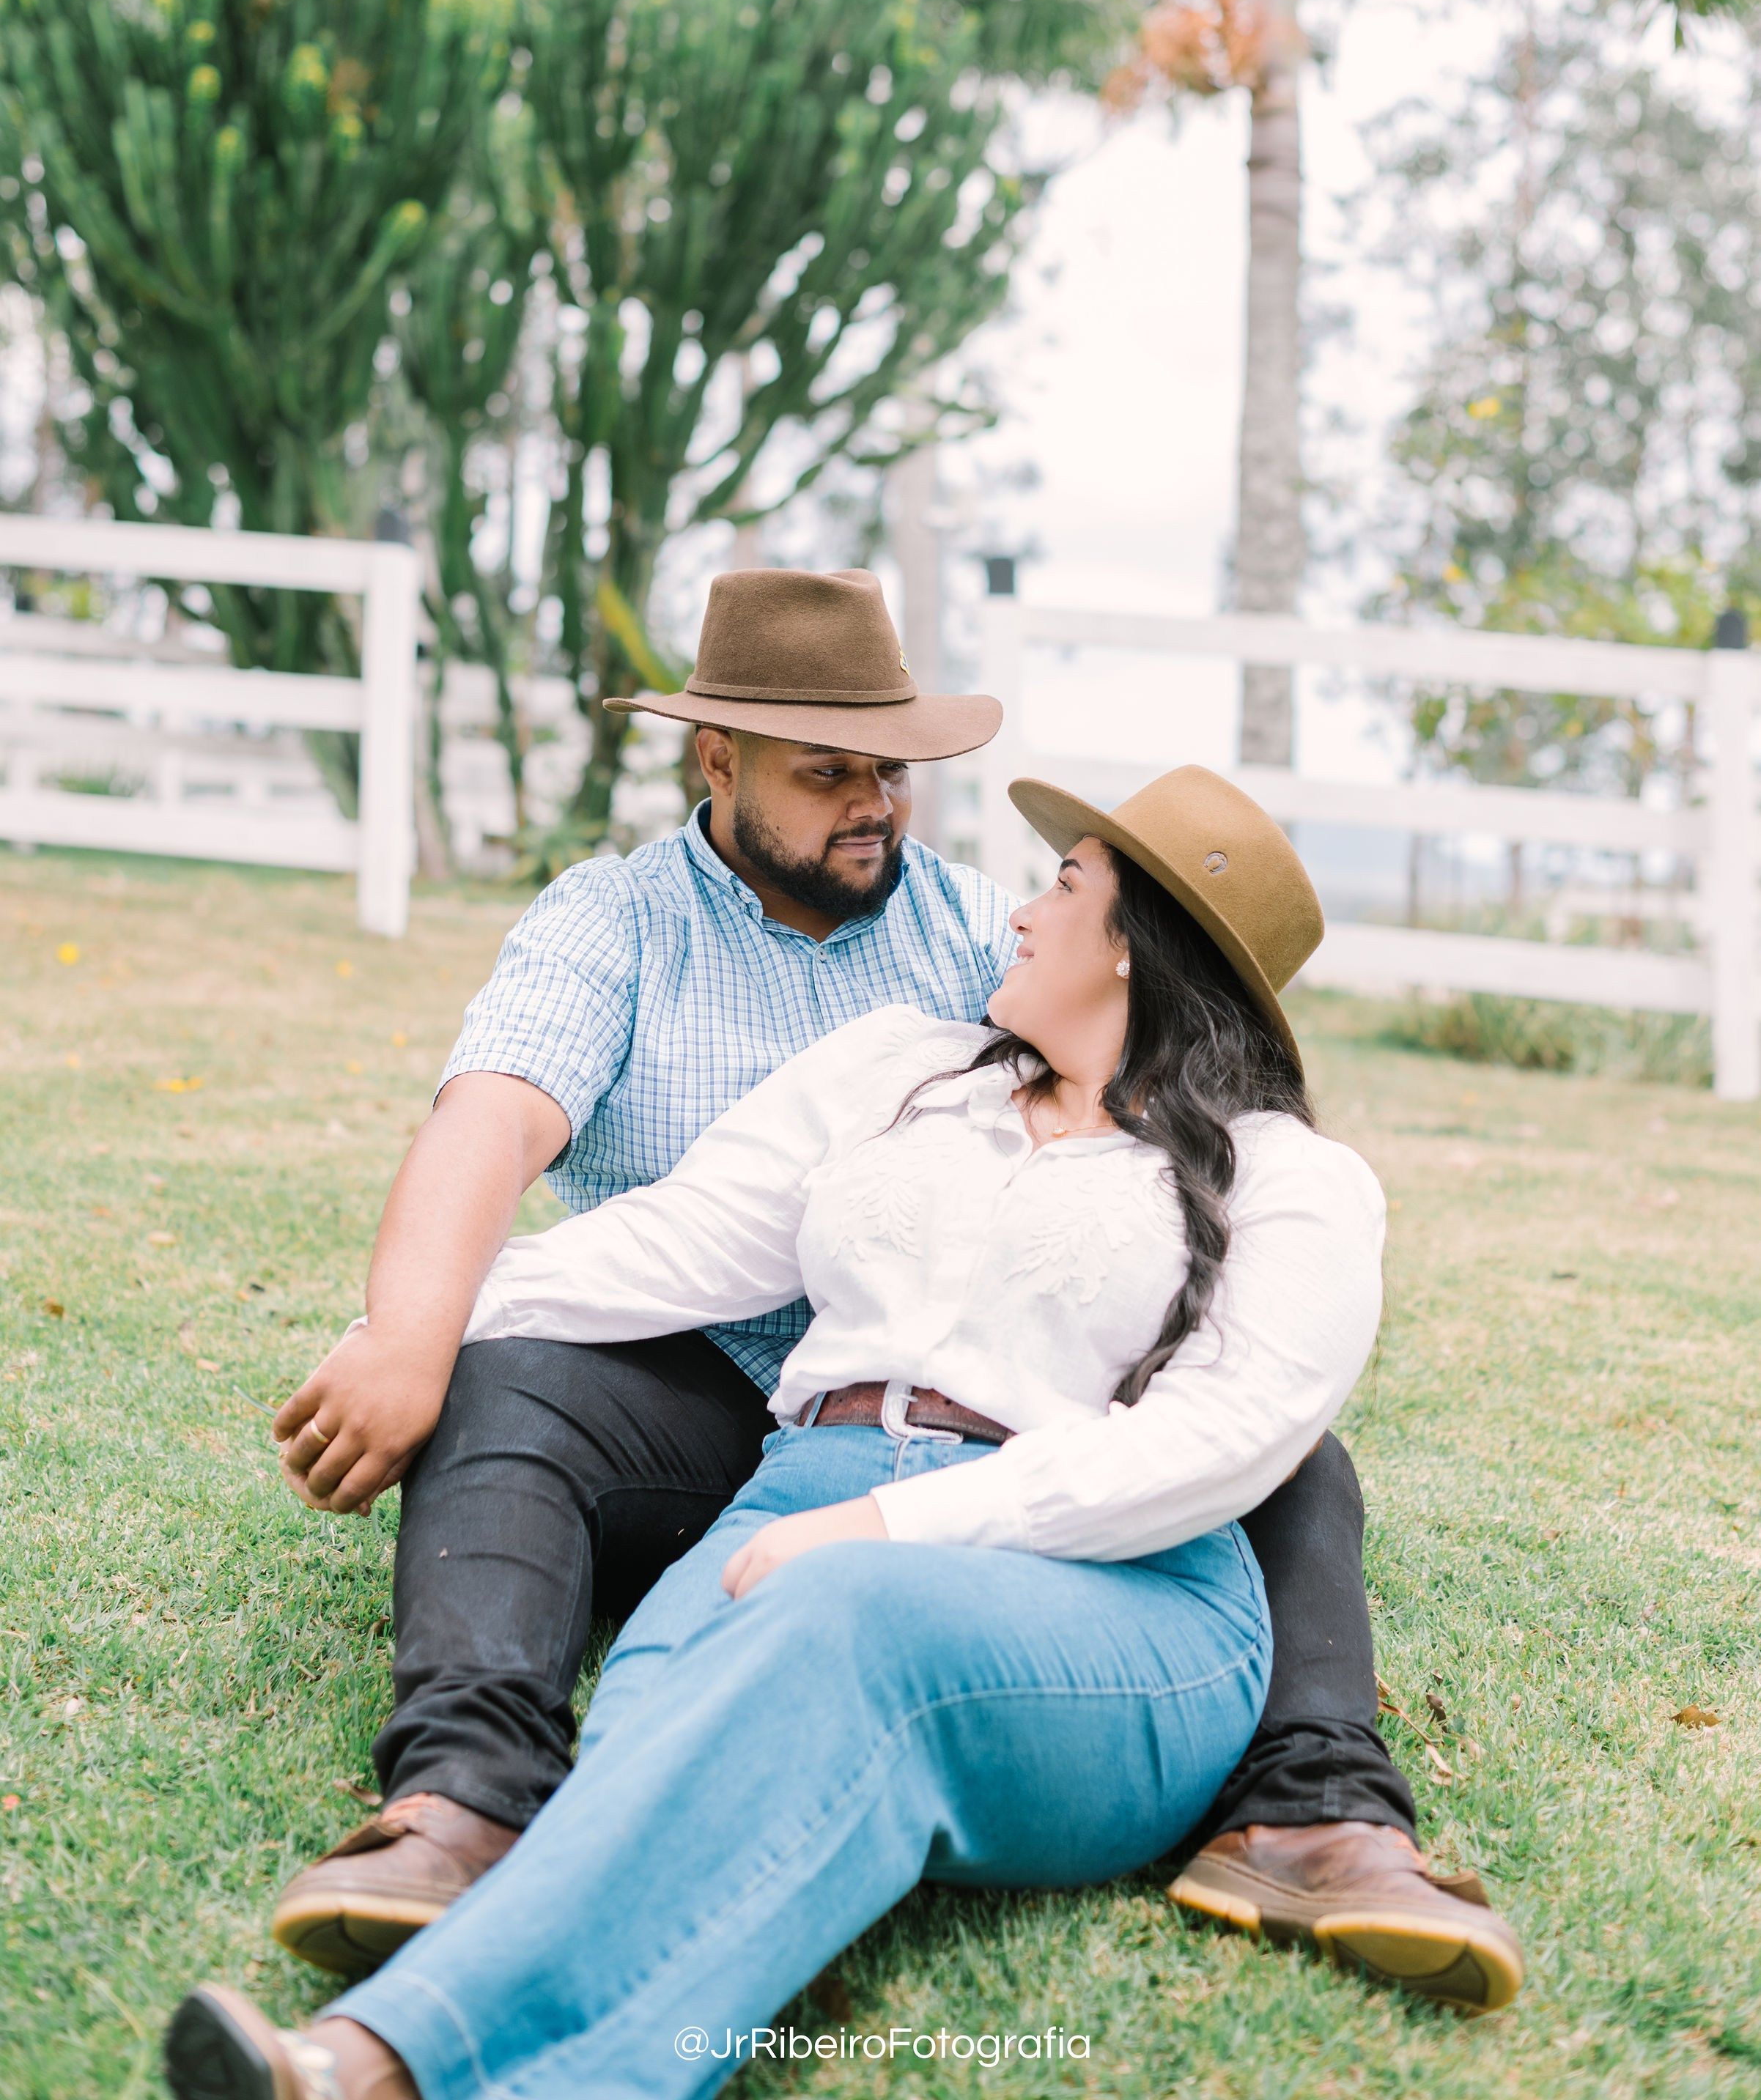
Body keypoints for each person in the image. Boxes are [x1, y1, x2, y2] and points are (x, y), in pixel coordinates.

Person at [261, 566, 1519, 2011]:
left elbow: (1150, 1038)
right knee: (504, 1386)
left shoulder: (983, 943)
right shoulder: (620, 926)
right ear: (716, 761)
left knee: (1283, 1447)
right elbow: (551, 1163)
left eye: (891, 772)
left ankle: (1313, 1809)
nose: (873, 802)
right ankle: (469, 1799)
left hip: (993, 1422)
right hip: (697, 1394)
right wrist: (409, 1333)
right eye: (828, 774)